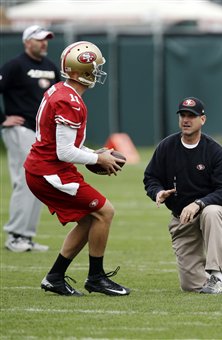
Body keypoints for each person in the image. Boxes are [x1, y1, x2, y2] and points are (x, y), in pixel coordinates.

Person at [24, 41, 130, 296]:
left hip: (49, 168)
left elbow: (65, 145)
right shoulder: (69, 100)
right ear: (83, 70)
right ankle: (96, 278)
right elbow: (64, 151)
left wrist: (95, 152)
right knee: (105, 212)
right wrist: (98, 160)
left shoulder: (62, 90)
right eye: (95, 67)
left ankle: (55, 277)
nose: (98, 71)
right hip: (49, 171)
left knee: (89, 219)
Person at [144, 97, 222, 294]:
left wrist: (200, 203)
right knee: (191, 286)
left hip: (215, 210)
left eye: (191, 116)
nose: (186, 120)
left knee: (210, 213)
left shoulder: (214, 150)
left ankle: (217, 276)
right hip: (182, 219)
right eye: (183, 115)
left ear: (202, 120)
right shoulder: (166, 146)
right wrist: (157, 192)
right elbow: (150, 177)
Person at [0, 25, 61, 252]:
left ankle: (25, 236)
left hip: (41, 133)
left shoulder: (50, 67)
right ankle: (15, 236)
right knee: (25, 180)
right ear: (27, 42)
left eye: (46, 39)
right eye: (39, 39)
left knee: (37, 182)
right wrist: (2, 119)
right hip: (20, 129)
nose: (43, 43)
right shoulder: (15, 65)